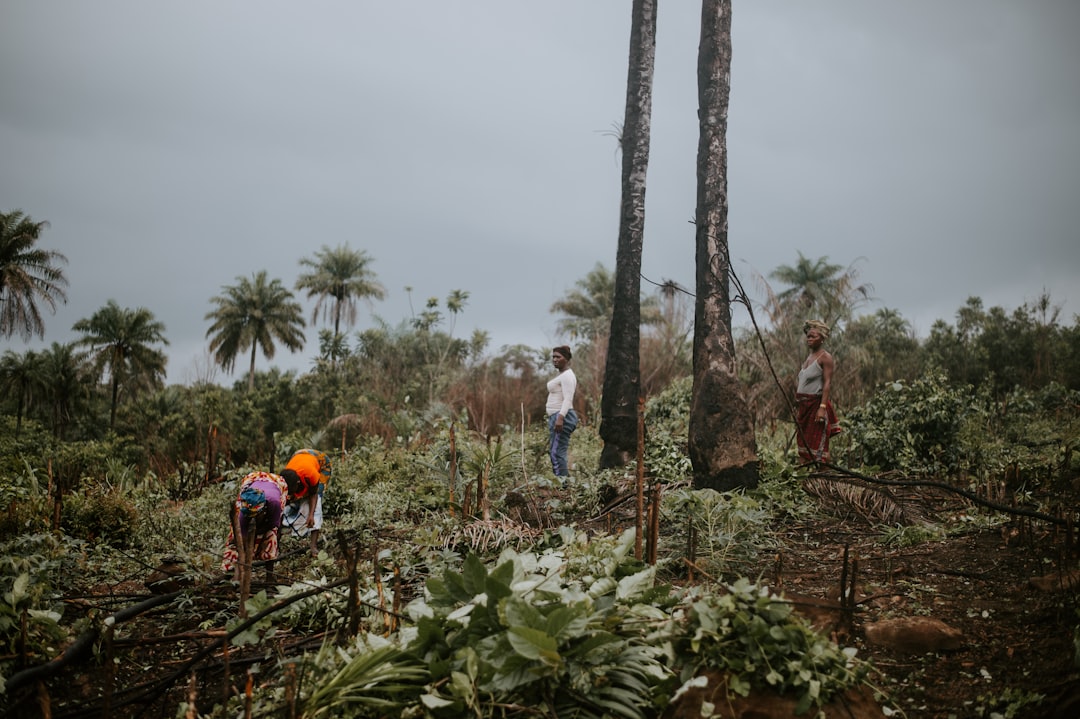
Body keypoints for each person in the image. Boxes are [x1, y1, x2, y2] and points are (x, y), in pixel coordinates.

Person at [222, 470, 296, 577]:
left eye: (256, 516)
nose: (254, 519)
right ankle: (231, 574)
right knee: (233, 541)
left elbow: (274, 525)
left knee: (271, 537)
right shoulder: (242, 509)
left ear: (264, 510)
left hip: (276, 483)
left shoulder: (275, 503)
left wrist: (260, 535)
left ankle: (269, 576)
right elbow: (240, 539)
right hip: (253, 479)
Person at [795, 319, 841, 463]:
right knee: (804, 446)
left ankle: (825, 480)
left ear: (821, 339)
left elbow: (827, 383)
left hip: (816, 406)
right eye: (808, 336)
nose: (809, 339)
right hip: (804, 407)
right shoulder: (809, 358)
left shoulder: (825, 357)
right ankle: (803, 481)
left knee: (818, 449)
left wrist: (822, 408)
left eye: (813, 336)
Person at [280, 448, 332, 555]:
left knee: (316, 501)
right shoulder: (286, 477)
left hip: (320, 461)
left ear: (298, 483)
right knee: (295, 500)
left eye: (291, 490)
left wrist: (311, 515)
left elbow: (314, 494)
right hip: (298, 455)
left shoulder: (311, 474)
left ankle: (313, 546)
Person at [546, 345, 579, 477]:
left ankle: (563, 486)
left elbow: (568, 399)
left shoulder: (567, 376)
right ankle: (563, 483)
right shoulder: (562, 375)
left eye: (558, 357)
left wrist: (560, 418)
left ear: (566, 359)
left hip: (562, 417)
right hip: (557, 416)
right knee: (556, 451)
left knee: (556, 452)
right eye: (553, 357)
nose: (555, 359)